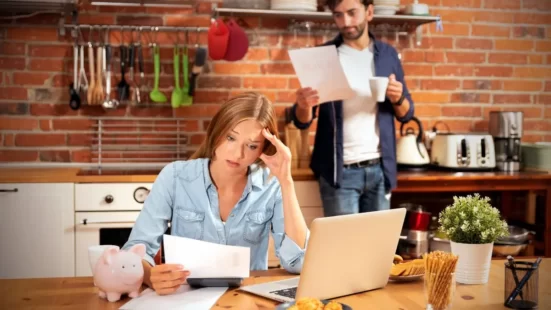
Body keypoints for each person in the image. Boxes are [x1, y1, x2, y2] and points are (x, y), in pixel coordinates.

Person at [122, 92, 309, 295]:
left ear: (264, 148)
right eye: (231, 137)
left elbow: (297, 263)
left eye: (252, 145)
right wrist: (150, 276)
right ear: (217, 131)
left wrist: (286, 182)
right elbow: (135, 249)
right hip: (184, 299)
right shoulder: (175, 177)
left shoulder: (272, 186)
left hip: (246, 300)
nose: (238, 154)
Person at [291, 0, 415, 217]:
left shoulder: (387, 55)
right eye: (338, 15)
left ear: (369, 12)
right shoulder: (324, 57)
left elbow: (406, 114)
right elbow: (302, 120)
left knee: (376, 247)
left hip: (380, 170)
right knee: (344, 248)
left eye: (351, 13)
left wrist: (398, 98)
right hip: (340, 173)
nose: (345, 22)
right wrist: (303, 106)